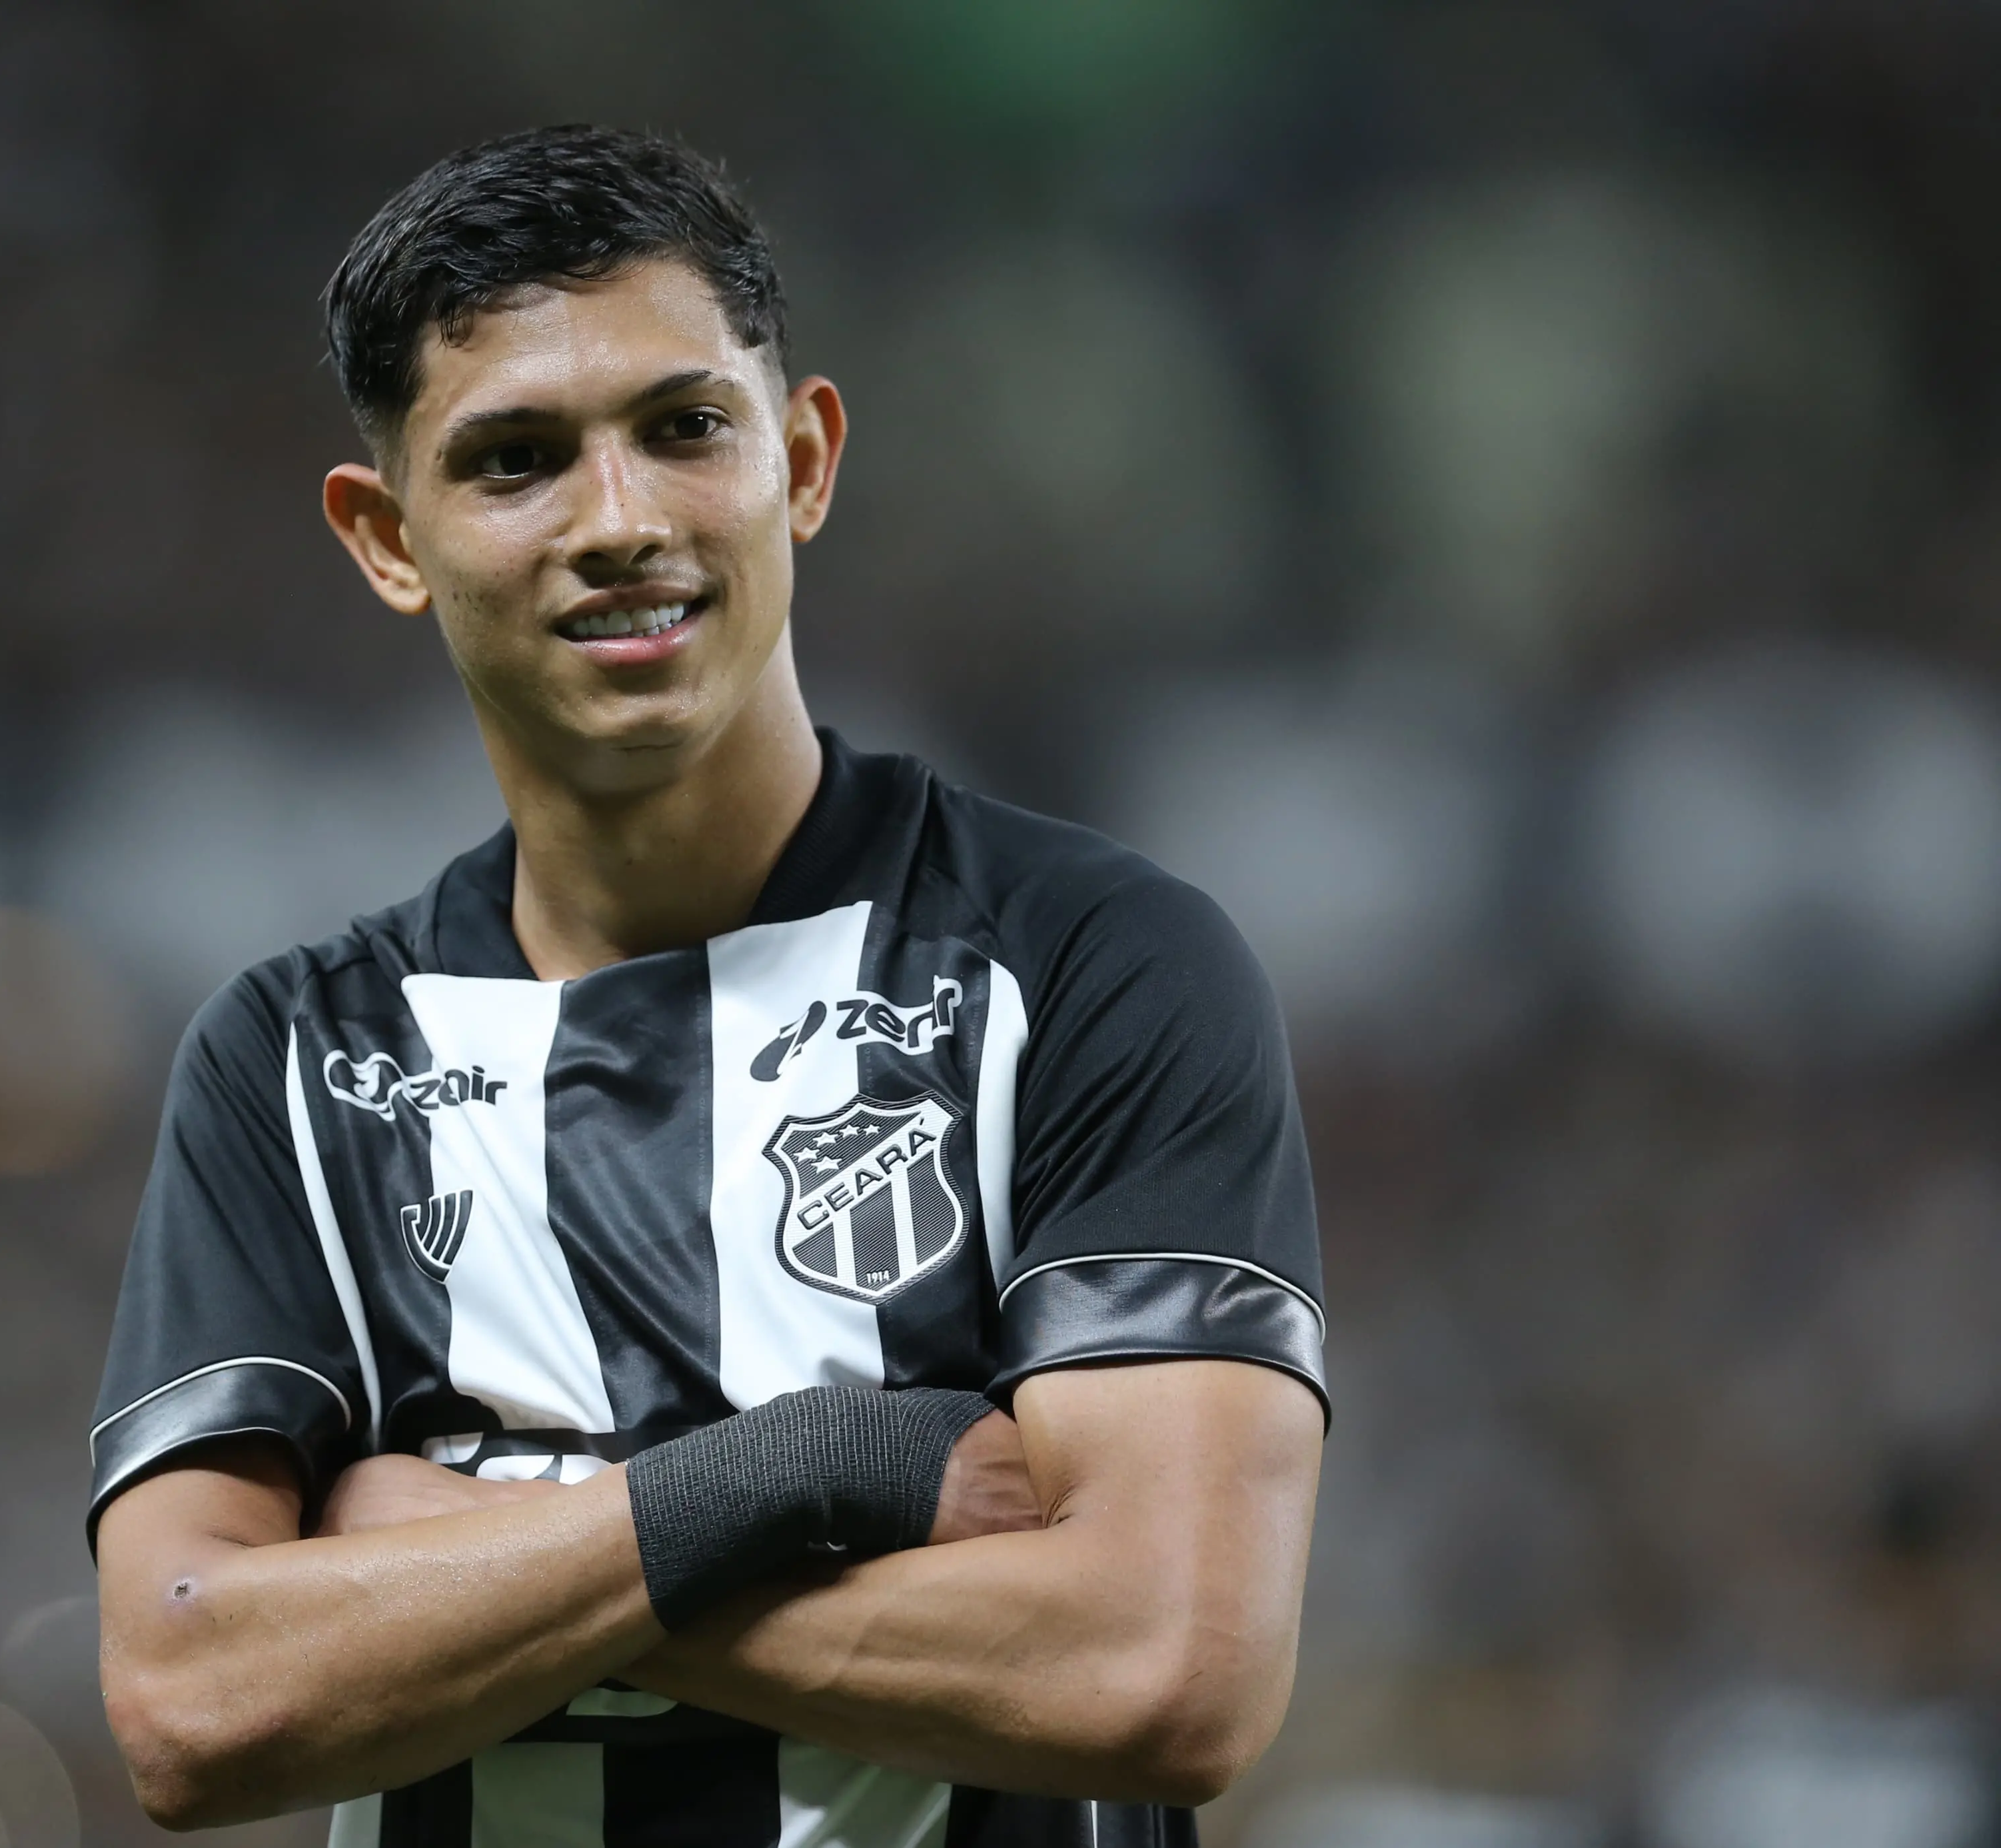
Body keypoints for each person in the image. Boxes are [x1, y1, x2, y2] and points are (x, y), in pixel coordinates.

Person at [88, 125, 1327, 1848]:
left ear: (801, 460)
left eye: (683, 428)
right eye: (516, 459)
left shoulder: (1088, 966)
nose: (620, 522)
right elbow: (192, 1701)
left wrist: (454, 1561)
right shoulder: (300, 1062)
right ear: (386, 537)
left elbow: (1162, 1670)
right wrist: (810, 1472)